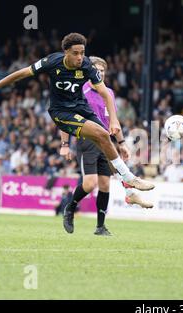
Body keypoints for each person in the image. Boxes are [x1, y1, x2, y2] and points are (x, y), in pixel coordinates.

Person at [0, 33, 155, 232]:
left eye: (82, 53)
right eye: (75, 53)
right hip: (61, 112)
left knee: (104, 141)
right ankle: (129, 179)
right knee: (100, 142)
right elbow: (21, 74)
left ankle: (120, 193)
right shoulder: (52, 62)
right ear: (66, 52)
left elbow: (105, 94)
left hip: (81, 109)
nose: (79, 57)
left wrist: (115, 121)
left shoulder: (86, 66)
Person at [59, 56, 153, 236]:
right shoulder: (79, 88)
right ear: (90, 71)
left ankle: (100, 226)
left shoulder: (108, 92)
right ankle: (70, 208)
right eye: (97, 70)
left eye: (103, 70)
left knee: (104, 184)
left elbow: (113, 120)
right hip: (87, 138)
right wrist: (65, 144)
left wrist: (122, 143)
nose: (100, 73)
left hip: (106, 140)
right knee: (90, 183)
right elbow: (65, 116)